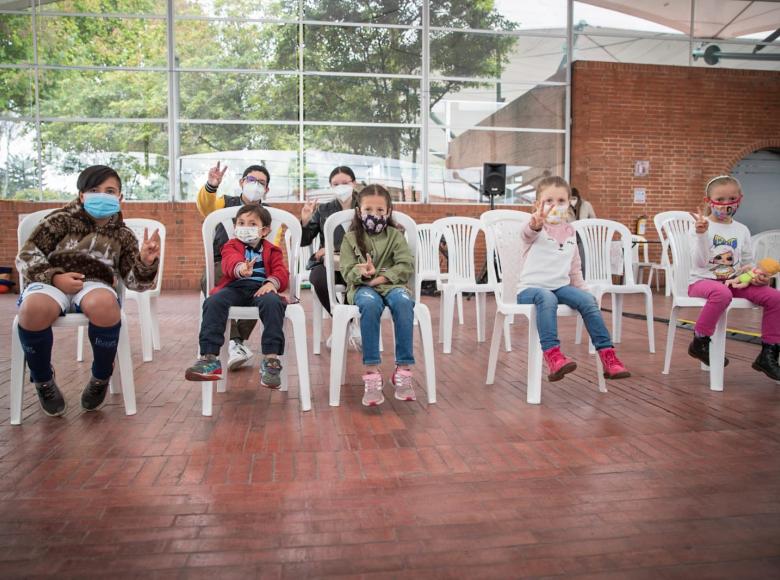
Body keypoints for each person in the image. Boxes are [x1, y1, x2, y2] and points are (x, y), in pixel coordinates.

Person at [15, 165, 161, 417]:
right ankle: (43, 380)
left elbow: (135, 283)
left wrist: (146, 262)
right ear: (82, 195)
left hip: (95, 284)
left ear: (120, 197)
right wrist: (55, 277)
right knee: (33, 309)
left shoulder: (123, 235)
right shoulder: (58, 221)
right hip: (50, 282)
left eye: (110, 190)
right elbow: (27, 256)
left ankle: (100, 377)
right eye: (94, 190)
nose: (102, 195)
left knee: (105, 306)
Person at [517, 176, 630, 382]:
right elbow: (527, 234)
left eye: (561, 201)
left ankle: (608, 357)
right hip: (531, 290)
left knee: (587, 300)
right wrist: (535, 225)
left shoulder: (570, 231)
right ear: (537, 204)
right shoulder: (535, 225)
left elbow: (574, 269)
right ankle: (553, 356)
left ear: (569, 203)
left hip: (559, 287)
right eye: (549, 201)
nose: (555, 205)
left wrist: (584, 293)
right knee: (546, 297)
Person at [185, 204, 290, 388]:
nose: (245, 227)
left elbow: (281, 271)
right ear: (235, 228)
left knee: (273, 303)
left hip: (261, 289)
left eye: (251, 223)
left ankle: (271, 360)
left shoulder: (273, 250)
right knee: (213, 302)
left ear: (264, 230)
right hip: (236, 287)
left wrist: (271, 283)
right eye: (241, 223)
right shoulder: (231, 245)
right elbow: (228, 262)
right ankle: (210, 358)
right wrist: (241, 268)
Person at [687, 175, 780, 380]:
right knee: (721, 293)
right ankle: (700, 341)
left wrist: (755, 276)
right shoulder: (700, 227)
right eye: (719, 200)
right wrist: (702, 235)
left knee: (775, 297)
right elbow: (700, 263)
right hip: (702, 281)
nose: (725, 204)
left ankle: (769, 353)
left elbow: (747, 262)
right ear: (708, 201)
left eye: (731, 199)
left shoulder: (742, 229)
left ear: (740, 199)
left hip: (735, 281)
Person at [340, 184, 417, 406]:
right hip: (363, 289)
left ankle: (402, 371)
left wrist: (381, 278)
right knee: (370, 305)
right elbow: (346, 271)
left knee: (404, 303)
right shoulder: (351, 238)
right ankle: (372, 373)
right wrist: (361, 272)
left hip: (391, 285)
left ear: (389, 211)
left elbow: (405, 265)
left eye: (380, 211)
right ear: (359, 211)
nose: (374, 215)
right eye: (368, 210)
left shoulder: (395, 235)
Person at [196, 162, 273, 372]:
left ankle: (237, 343)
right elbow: (206, 207)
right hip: (223, 262)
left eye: (261, 183)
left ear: (266, 190)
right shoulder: (225, 203)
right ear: (241, 182)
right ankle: (236, 341)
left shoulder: (270, 216)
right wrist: (212, 185)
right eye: (251, 180)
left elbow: (273, 248)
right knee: (210, 281)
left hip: (255, 266)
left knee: (261, 286)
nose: (255, 185)